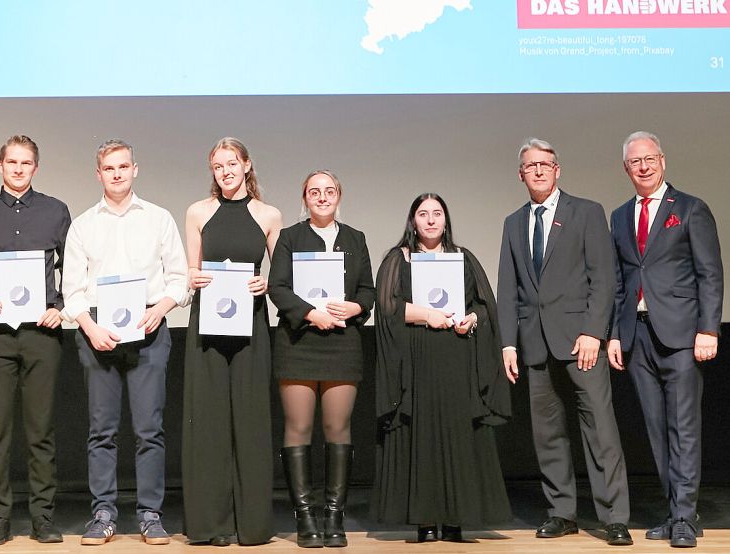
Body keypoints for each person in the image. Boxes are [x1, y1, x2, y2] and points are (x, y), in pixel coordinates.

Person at [496, 138, 631, 546]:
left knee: (600, 430)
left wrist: (594, 331)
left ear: (558, 170)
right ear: (521, 174)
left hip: (581, 342)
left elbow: (603, 277)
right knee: (547, 434)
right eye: (530, 165)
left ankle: (614, 517)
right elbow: (509, 287)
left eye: (546, 164)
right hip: (534, 342)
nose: (538, 170)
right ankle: (562, 512)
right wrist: (508, 344)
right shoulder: (513, 222)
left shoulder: (586, 212)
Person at [61, 139, 187, 546]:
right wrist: (89, 327)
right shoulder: (82, 224)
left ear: (136, 169)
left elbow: (179, 279)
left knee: (150, 429)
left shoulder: (159, 218)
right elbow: (72, 291)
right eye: (109, 168)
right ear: (98, 174)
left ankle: (150, 513)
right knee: (102, 429)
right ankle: (103, 513)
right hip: (98, 332)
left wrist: (161, 308)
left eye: (123, 166)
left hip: (149, 329)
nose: (117, 173)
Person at [371, 193, 511, 542]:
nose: (431, 220)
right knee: (420, 434)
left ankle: (455, 518)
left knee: (457, 433)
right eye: (423, 214)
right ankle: (424, 519)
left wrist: (471, 320)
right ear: (413, 220)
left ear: (446, 220)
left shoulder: (463, 259)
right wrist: (428, 315)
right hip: (416, 359)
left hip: (457, 355)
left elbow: (485, 306)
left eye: (437, 213)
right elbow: (387, 308)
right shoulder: (397, 259)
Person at [607, 131, 723, 549]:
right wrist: (615, 335)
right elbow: (620, 281)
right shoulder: (619, 216)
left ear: (663, 161)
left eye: (650, 158)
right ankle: (675, 513)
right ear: (626, 168)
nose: (643, 166)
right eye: (635, 161)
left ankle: (687, 518)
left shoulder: (690, 209)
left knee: (684, 428)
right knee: (656, 429)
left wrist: (709, 328)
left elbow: (710, 273)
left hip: (682, 335)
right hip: (637, 336)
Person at [0, 135, 71, 545]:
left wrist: (62, 306)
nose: (19, 169)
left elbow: (74, 271)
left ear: (35, 168)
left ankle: (43, 517)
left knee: (41, 431)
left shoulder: (56, 212)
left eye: (26, 163)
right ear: (0, 166)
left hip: (43, 334)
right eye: (12, 162)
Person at [181, 137, 282, 546]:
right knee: (207, 424)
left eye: (231, 164)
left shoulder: (268, 214)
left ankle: (252, 525)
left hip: (251, 326)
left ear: (246, 166)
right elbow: (190, 269)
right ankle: (211, 524)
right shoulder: (198, 212)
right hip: (206, 325)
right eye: (217, 166)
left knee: (251, 422)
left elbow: (283, 278)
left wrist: (266, 283)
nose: (224, 172)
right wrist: (192, 276)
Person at [267, 170, 375, 548]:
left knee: (337, 428)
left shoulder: (355, 239)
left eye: (329, 191)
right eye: (315, 191)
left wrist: (355, 305)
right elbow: (277, 288)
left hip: (343, 343)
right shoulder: (289, 237)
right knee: (297, 428)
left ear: (339, 196)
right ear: (305, 197)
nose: (323, 197)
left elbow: (368, 290)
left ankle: (334, 516)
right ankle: (306, 517)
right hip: (299, 343)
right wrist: (312, 313)